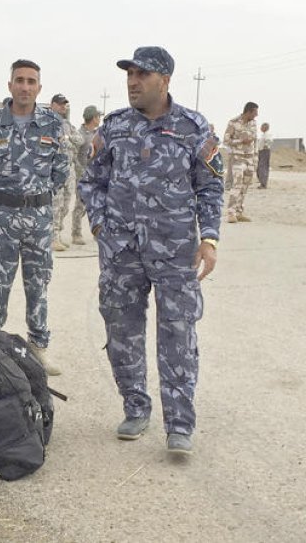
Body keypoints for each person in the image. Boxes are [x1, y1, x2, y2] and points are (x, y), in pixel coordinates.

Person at [78, 46, 222, 457]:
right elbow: (91, 182)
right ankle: (135, 407)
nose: (133, 81)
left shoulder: (194, 128)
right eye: (130, 74)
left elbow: (210, 186)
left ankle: (179, 424)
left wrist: (209, 238)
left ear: (165, 80)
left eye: (142, 74)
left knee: (178, 333)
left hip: (176, 251)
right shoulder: (116, 127)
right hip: (121, 250)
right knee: (122, 330)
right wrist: (101, 226)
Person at [0, 59, 68, 375]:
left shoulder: (53, 125)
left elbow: (62, 170)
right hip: (2, 219)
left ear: (39, 88)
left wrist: (34, 198)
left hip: (39, 220)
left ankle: (38, 348)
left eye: (31, 81)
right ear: (10, 85)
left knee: (38, 285)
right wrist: (6, 199)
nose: (25, 86)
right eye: (20, 80)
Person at [48, 93, 82, 251]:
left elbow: (79, 140)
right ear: (53, 104)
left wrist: (67, 138)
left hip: (69, 169)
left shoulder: (67, 124)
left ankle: (58, 235)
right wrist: (67, 141)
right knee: (56, 204)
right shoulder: (48, 122)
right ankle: (52, 238)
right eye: (60, 104)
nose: (63, 106)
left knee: (66, 205)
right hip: (55, 170)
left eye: (65, 104)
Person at [71, 104, 102, 245]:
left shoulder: (96, 134)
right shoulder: (80, 135)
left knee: (96, 204)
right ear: (93, 118)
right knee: (80, 205)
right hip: (82, 175)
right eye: (98, 116)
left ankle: (97, 231)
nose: (99, 119)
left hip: (95, 175)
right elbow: (74, 156)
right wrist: (80, 173)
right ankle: (76, 233)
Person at [223, 102, 258, 222]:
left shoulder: (253, 123)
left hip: (250, 158)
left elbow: (254, 138)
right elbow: (226, 140)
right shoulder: (233, 122)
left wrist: (255, 158)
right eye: (255, 112)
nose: (256, 115)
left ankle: (239, 212)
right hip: (238, 158)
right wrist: (241, 141)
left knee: (244, 187)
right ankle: (231, 213)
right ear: (249, 111)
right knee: (236, 185)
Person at [256, 122, 273, 188]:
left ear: (265, 127)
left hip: (264, 151)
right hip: (261, 151)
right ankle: (262, 182)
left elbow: (269, 141)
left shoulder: (267, 134)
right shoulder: (263, 135)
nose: (260, 128)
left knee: (263, 167)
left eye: (262, 127)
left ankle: (263, 183)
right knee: (260, 167)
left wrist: (266, 145)